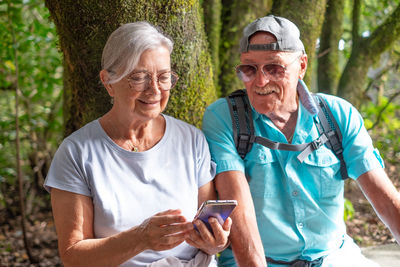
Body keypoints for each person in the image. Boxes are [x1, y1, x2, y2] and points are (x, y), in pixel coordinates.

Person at [202, 15, 400, 267]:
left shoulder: (337, 116)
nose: (261, 82)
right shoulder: (225, 118)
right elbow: (239, 213)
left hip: (334, 258)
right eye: (249, 70)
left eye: (274, 68)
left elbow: (387, 202)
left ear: (302, 65)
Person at [44, 21, 232, 267]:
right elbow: (73, 256)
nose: (154, 89)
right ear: (108, 82)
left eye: (164, 77)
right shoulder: (77, 152)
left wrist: (215, 241)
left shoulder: (191, 139)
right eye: (139, 77)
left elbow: (211, 232)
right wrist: (140, 238)